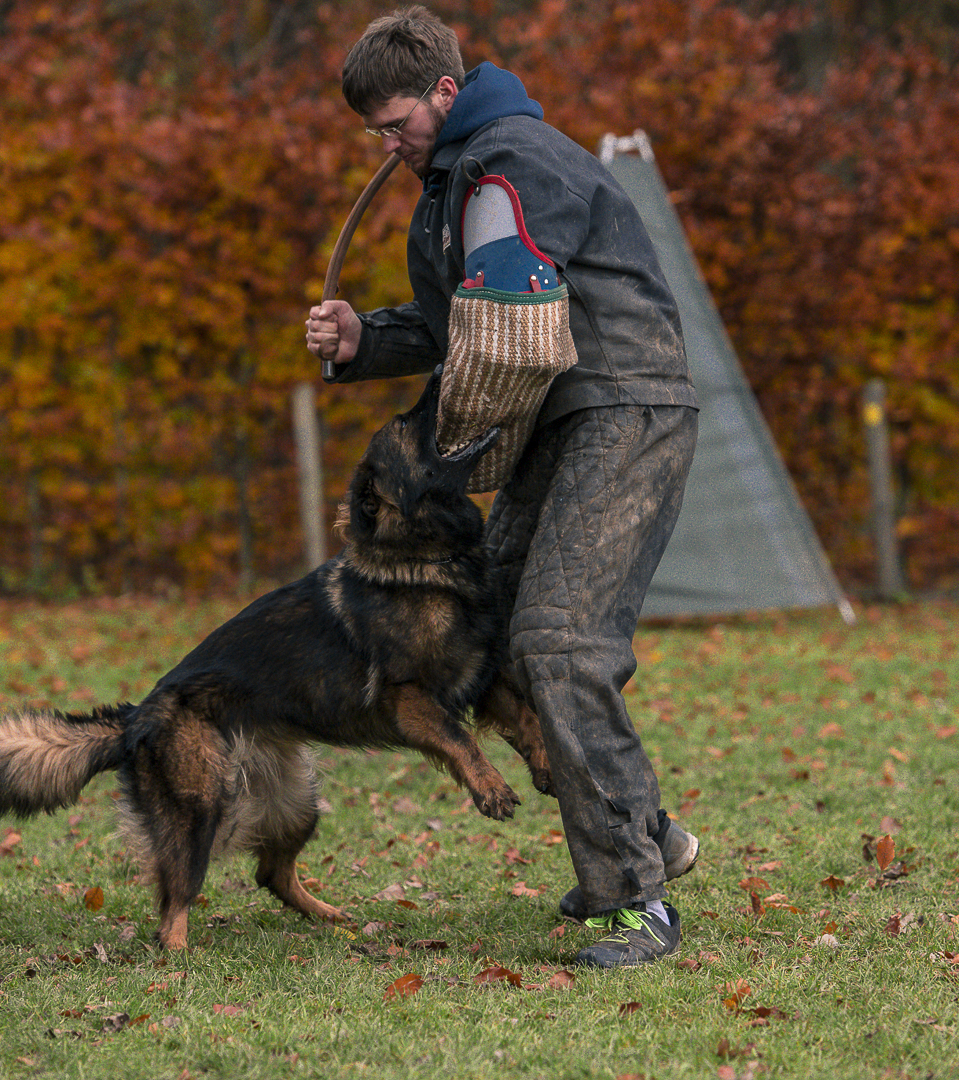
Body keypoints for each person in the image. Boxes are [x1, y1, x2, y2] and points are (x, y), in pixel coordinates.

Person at [304, 6, 700, 968]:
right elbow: (462, 322)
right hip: (555, 422)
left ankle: (634, 905)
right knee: (500, 637)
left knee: (559, 642)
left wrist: (443, 440)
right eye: (375, 132)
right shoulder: (451, 184)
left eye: (396, 123)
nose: (388, 144)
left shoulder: (511, 160)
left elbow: (512, 295)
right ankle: (649, 836)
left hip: (624, 405)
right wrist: (364, 339)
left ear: (445, 92)